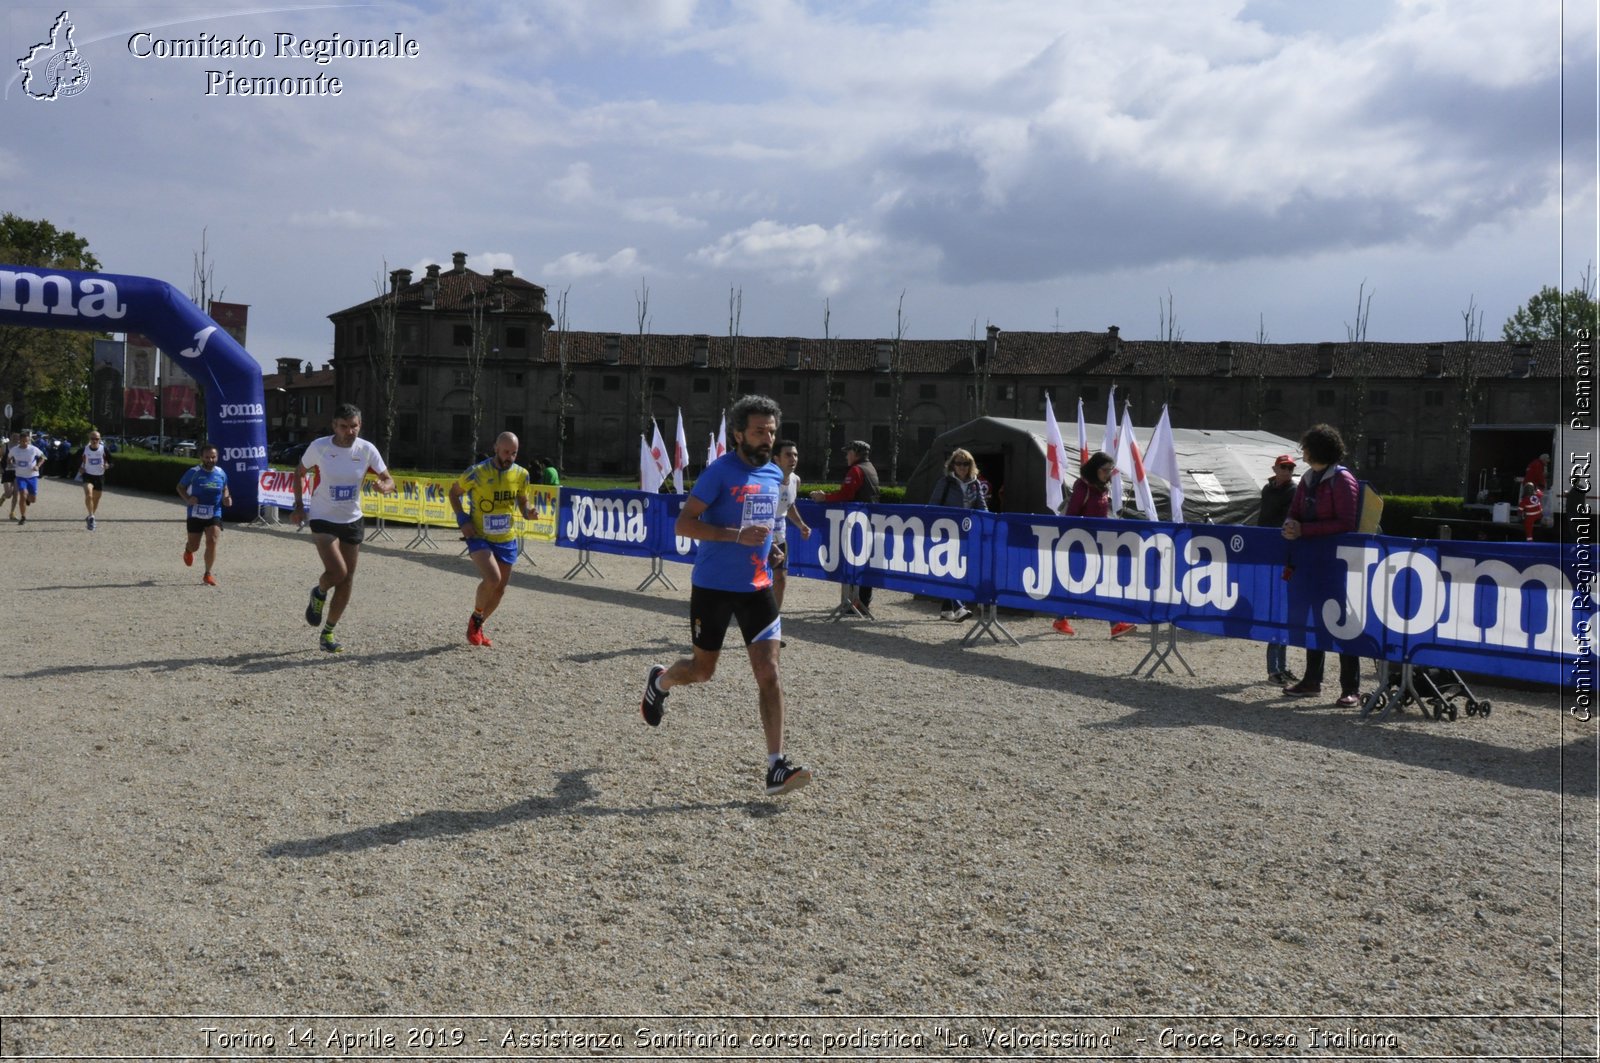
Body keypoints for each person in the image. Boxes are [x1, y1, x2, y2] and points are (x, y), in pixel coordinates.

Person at [640, 394, 811, 797]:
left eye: (771, 431)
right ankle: (661, 681)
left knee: (769, 673)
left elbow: (759, 525)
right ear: (738, 434)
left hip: (758, 587)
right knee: (702, 671)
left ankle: (775, 766)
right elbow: (684, 524)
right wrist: (734, 536)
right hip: (714, 587)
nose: (767, 438)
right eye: (758, 431)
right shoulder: (719, 473)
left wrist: (768, 547)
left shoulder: (774, 475)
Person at [291, 403, 397, 653]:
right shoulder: (320, 447)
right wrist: (298, 505)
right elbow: (299, 472)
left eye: (354, 426)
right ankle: (319, 591)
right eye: (344, 426)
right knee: (337, 571)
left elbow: (389, 479)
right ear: (334, 426)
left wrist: (386, 486)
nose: (350, 431)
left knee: (348, 578)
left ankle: (328, 632)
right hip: (322, 516)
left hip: (352, 518)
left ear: (360, 425)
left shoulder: (367, 449)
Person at [1282, 423, 1363, 707]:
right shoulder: (1307, 479)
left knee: (1342, 625)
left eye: (1305, 446)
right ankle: (1311, 681)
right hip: (1310, 562)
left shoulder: (1343, 480)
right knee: (1314, 623)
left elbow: (1346, 524)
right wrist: (1290, 525)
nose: (1301, 451)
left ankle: (1350, 687)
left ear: (1316, 449)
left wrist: (1305, 530)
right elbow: (1293, 512)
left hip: (1337, 566)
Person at [449, 431, 537, 647]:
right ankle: (476, 617)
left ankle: (477, 623)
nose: (509, 457)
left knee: (500, 590)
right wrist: (463, 520)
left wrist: (528, 512)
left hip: (506, 537)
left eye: (514, 453)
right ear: (495, 447)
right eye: (506, 452)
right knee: (492, 579)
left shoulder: (521, 474)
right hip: (479, 535)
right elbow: (454, 493)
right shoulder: (477, 472)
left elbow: (522, 501)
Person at [1057, 451, 1136, 639]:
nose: (1108, 474)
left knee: (1102, 583)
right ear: (1095, 469)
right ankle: (1113, 623)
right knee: (1084, 584)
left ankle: (1113, 624)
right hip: (1080, 544)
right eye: (1105, 470)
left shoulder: (1103, 488)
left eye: (1110, 470)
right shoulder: (1082, 487)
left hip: (1100, 544)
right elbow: (1071, 517)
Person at [809, 439, 880, 616]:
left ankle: (855, 603)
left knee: (854, 561)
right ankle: (862, 601)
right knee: (864, 562)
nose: (846, 456)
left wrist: (824, 498)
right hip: (868, 521)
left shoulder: (856, 470)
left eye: (848, 452)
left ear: (855, 453)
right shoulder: (870, 467)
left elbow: (846, 495)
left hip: (856, 523)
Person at [928, 447, 987, 621]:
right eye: (959, 463)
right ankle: (958, 607)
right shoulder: (945, 482)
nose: (962, 467)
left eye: (966, 463)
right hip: (946, 533)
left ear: (971, 465)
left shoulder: (975, 484)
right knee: (951, 571)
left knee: (957, 571)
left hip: (967, 535)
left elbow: (982, 508)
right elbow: (933, 506)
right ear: (952, 465)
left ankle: (947, 610)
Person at [1258, 454, 1299, 684]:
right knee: (1276, 612)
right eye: (1283, 467)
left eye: (1290, 468)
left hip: (1285, 554)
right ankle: (1274, 669)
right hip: (1271, 556)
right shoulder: (1268, 489)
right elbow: (1266, 519)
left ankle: (1280, 666)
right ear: (1275, 468)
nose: (1287, 471)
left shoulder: (1293, 491)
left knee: (1283, 613)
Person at [768, 439, 812, 619]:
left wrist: (801, 524)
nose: (793, 459)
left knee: (781, 579)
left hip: (780, 536)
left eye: (795, 455)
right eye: (788, 455)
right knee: (755, 579)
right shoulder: (767, 479)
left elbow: (789, 505)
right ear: (776, 458)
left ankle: (772, 620)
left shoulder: (796, 480)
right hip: (761, 535)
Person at [177, 443, 231, 585]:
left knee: (212, 541)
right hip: (195, 513)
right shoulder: (193, 472)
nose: (210, 460)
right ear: (201, 457)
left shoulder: (221, 473)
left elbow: (225, 488)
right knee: (195, 546)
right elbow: (180, 487)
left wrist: (227, 497)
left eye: (213, 457)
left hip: (214, 511)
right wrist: (188, 499)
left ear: (217, 457)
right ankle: (188, 550)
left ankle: (207, 574)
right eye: (207, 457)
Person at [7, 429, 45, 526]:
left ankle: (29, 498)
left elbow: (43, 457)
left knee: (33, 500)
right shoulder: (14, 450)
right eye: (22, 441)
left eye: (26, 441)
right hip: (20, 476)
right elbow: (9, 457)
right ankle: (23, 517)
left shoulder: (33, 449)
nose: (24, 443)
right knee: (22, 494)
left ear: (29, 441)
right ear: (19, 440)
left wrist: (38, 466)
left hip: (32, 476)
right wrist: (10, 462)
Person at [78, 430, 111, 530]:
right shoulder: (84, 449)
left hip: (99, 476)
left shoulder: (104, 449)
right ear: (89, 439)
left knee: (96, 499)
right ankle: (92, 517)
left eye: (96, 439)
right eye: (92, 439)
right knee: (89, 494)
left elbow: (112, 461)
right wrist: (80, 468)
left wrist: (108, 465)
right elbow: (74, 459)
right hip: (87, 475)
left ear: (99, 439)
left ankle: (90, 516)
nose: (94, 441)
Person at [3, 430, 18, 520]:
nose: (16, 439)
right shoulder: (5, 446)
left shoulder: (21, 448)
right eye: (14, 438)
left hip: (17, 472)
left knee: (16, 493)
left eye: (17, 438)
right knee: (9, 494)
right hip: (7, 471)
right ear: (11, 438)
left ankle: (12, 513)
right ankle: (3, 497)